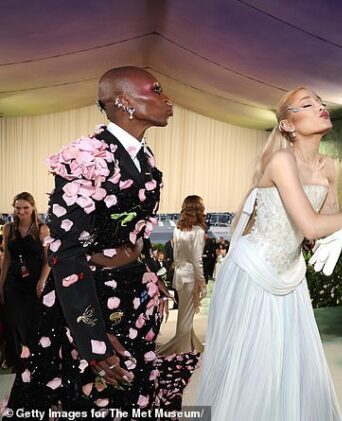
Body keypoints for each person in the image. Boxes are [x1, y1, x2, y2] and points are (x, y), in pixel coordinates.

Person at [5, 66, 198, 414]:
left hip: (133, 297)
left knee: (132, 390)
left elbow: (137, 231)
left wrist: (151, 273)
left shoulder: (146, 158)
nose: (167, 98)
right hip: (89, 298)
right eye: (156, 90)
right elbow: (66, 250)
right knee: (86, 394)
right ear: (124, 101)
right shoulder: (85, 158)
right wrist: (92, 340)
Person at [193, 87, 342, 420]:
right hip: (254, 272)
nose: (320, 107)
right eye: (307, 104)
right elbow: (311, 225)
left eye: (321, 103)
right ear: (287, 125)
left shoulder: (329, 166)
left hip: (291, 276)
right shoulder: (281, 161)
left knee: (291, 368)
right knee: (255, 370)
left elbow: (326, 228)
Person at [0, 193, 51, 370]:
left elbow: (48, 260)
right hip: (13, 281)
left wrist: (42, 281)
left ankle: (31, 356)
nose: (21, 211)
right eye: (18, 208)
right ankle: (15, 356)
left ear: (33, 208)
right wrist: (1, 285)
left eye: (25, 208)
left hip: (34, 281)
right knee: (11, 320)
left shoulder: (42, 229)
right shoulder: (8, 228)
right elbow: (6, 258)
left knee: (31, 320)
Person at [157, 195, 206, 355]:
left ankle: (189, 345)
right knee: (186, 316)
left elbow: (177, 256)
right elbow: (197, 260)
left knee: (184, 314)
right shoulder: (198, 232)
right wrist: (202, 283)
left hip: (179, 276)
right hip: (191, 278)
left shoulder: (177, 229)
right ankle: (182, 350)